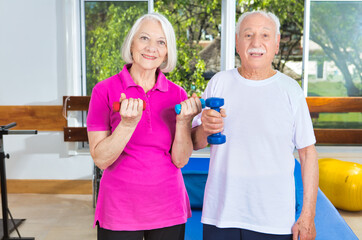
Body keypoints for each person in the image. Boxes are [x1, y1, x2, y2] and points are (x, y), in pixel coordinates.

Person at [191, 10, 319, 240]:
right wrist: (205, 129)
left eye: (265, 35)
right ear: (237, 43)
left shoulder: (291, 90)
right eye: (248, 35)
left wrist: (308, 215)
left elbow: (308, 153)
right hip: (221, 215)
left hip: (274, 219)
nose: (256, 43)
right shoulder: (219, 83)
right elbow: (194, 142)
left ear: (277, 43)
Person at [87, 12, 202, 240]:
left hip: (169, 207)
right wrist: (127, 125)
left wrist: (183, 121)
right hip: (119, 210)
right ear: (131, 43)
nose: (152, 48)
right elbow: (100, 159)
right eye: (144, 38)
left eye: (161, 42)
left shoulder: (177, 94)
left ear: (167, 51)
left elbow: (180, 160)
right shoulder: (104, 90)